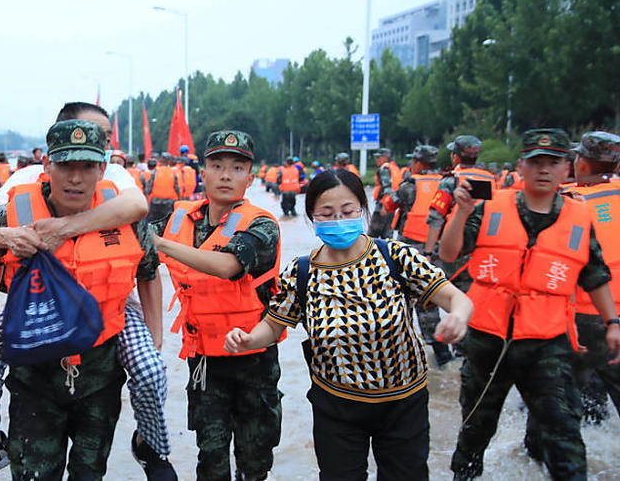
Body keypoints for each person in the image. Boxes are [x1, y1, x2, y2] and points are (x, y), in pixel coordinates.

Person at [0, 101, 174, 481]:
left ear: (102, 168)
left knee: (150, 369)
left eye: (87, 167)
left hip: (103, 346)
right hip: (36, 367)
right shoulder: (16, 206)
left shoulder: (123, 210)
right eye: (66, 166)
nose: (75, 178)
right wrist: (9, 240)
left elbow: (149, 271)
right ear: (47, 165)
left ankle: (151, 445)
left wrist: (156, 337)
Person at [227, 168, 472, 480]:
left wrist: (458, 317)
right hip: (336, 408)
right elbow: (274, 326)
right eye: (327, 214)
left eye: (347, 211)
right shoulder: (301, 273)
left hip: (403, 404)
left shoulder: (394, 257)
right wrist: (248, 340)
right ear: (312, 217)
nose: (338, 220)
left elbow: (456, 299)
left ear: (363, 211)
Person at [439, 128, 620, 480]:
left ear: (568, 169)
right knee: (476, 430)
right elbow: (448, 254)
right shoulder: (489, 208)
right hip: (489, 340)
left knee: (565, 435)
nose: (544, 170)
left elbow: (594, 275)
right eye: (536, 162)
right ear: (521, 167)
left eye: (554, 163)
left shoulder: (580, 217)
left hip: (547, 343)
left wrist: (613, 323)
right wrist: (460, 213)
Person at [155, 130, 283, 481]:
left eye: (237, 167)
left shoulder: (262, 224)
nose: (226, 175)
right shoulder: (179, 219)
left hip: (253, 360)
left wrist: (160, 245)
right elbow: (133, 246)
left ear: (251, 177)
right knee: (210, 459)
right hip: (205, 360)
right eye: (217, 165)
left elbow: (229, 266)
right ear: (203, 172)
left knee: (254, 462)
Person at [563, 131, 620, 423]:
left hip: (586, 314)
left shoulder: (568, 202)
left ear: (583, 163)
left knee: (556, 396)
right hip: (615, 320)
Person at [386, 145, 453, 366]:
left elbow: (387, 206)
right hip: (440, 249)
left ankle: (435, 352)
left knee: (405, 300)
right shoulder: (448, 183)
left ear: (418, 162)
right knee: (434, 297)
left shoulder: (410, 186)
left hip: (412, 249)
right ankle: (443, 353)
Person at [424, 135, 496, 301]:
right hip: (485, 248)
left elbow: (436, 218)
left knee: (455, 301)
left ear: (455, 157)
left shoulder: (451, 180)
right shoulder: (491, 179)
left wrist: (428, 252)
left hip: (456, 248)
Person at [369, 147, 400, 238]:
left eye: (379, 157)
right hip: (392, 203)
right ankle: (387, 251)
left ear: (385, 158)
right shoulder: (394, 168)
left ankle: (369, 251)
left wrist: (384, 206)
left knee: (373, 232)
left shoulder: (384, 169)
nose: (377, 160)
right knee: (387, 233)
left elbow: (387, 187)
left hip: (384, 204)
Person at [145, 153, 182, 222]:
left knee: (153, 223)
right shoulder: (173, 172)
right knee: (166, 223)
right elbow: (177, 188)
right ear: (169, 161)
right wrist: (179, 199)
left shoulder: (155, 171)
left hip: (155, 202)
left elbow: (149, 189)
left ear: (161, 160)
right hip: (168, 203)